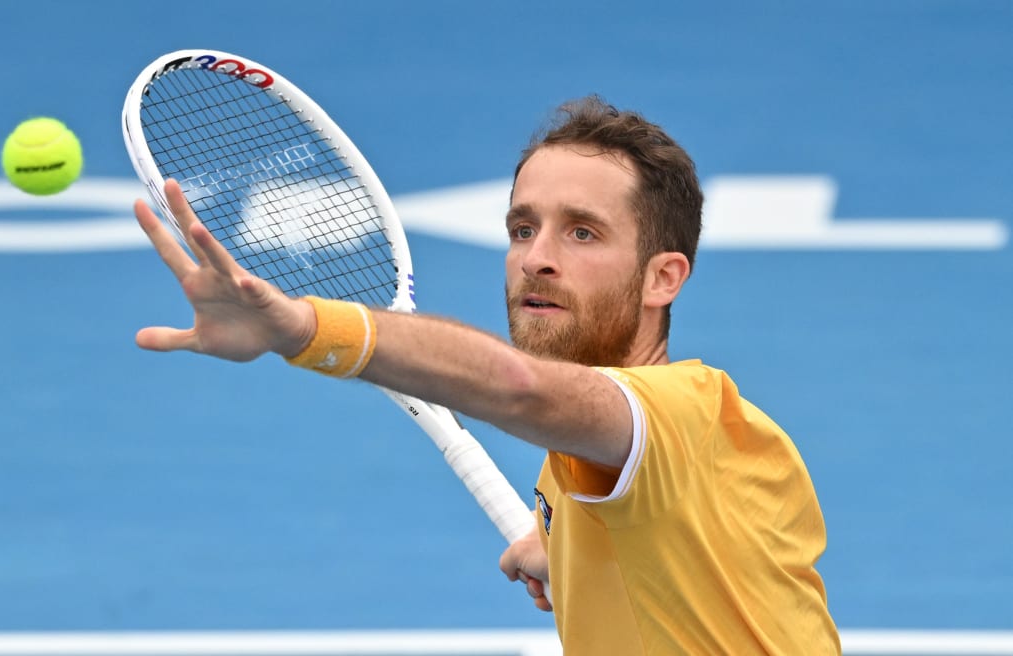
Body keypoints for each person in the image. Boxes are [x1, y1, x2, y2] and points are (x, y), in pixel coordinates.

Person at [132, 95, 840, 654]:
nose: (536, 257)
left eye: (582, 232)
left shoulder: (683, 413)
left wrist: (308, 330)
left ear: (663, 278)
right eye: (523, 228)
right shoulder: (594, 466)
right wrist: (581, 555)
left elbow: (519, 386)